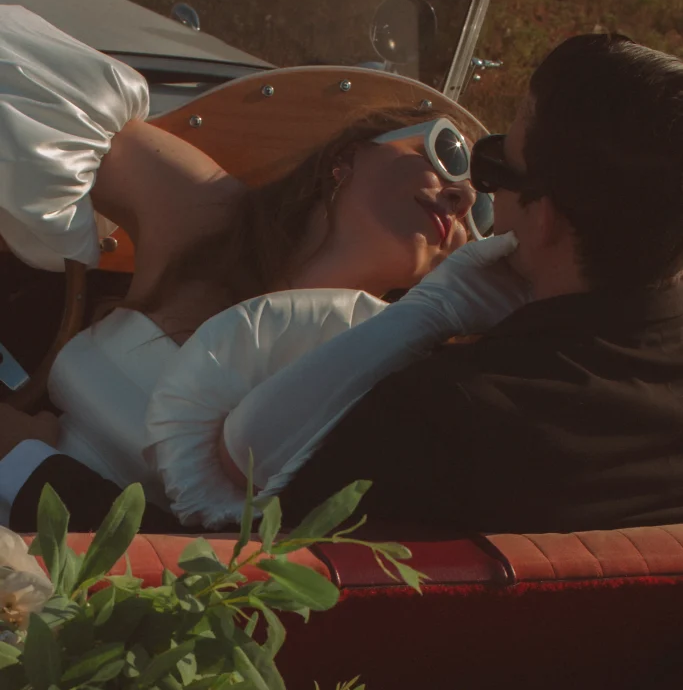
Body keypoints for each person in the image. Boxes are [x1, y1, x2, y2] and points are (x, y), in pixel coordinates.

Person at [9, 32, 682, 538]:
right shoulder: (208, 222)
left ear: (546, 221)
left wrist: (18, 458)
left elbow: (228, 582)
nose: (467, 193)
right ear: (343, 157)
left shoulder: (427, 396)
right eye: (450, 150)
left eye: (495, 177)